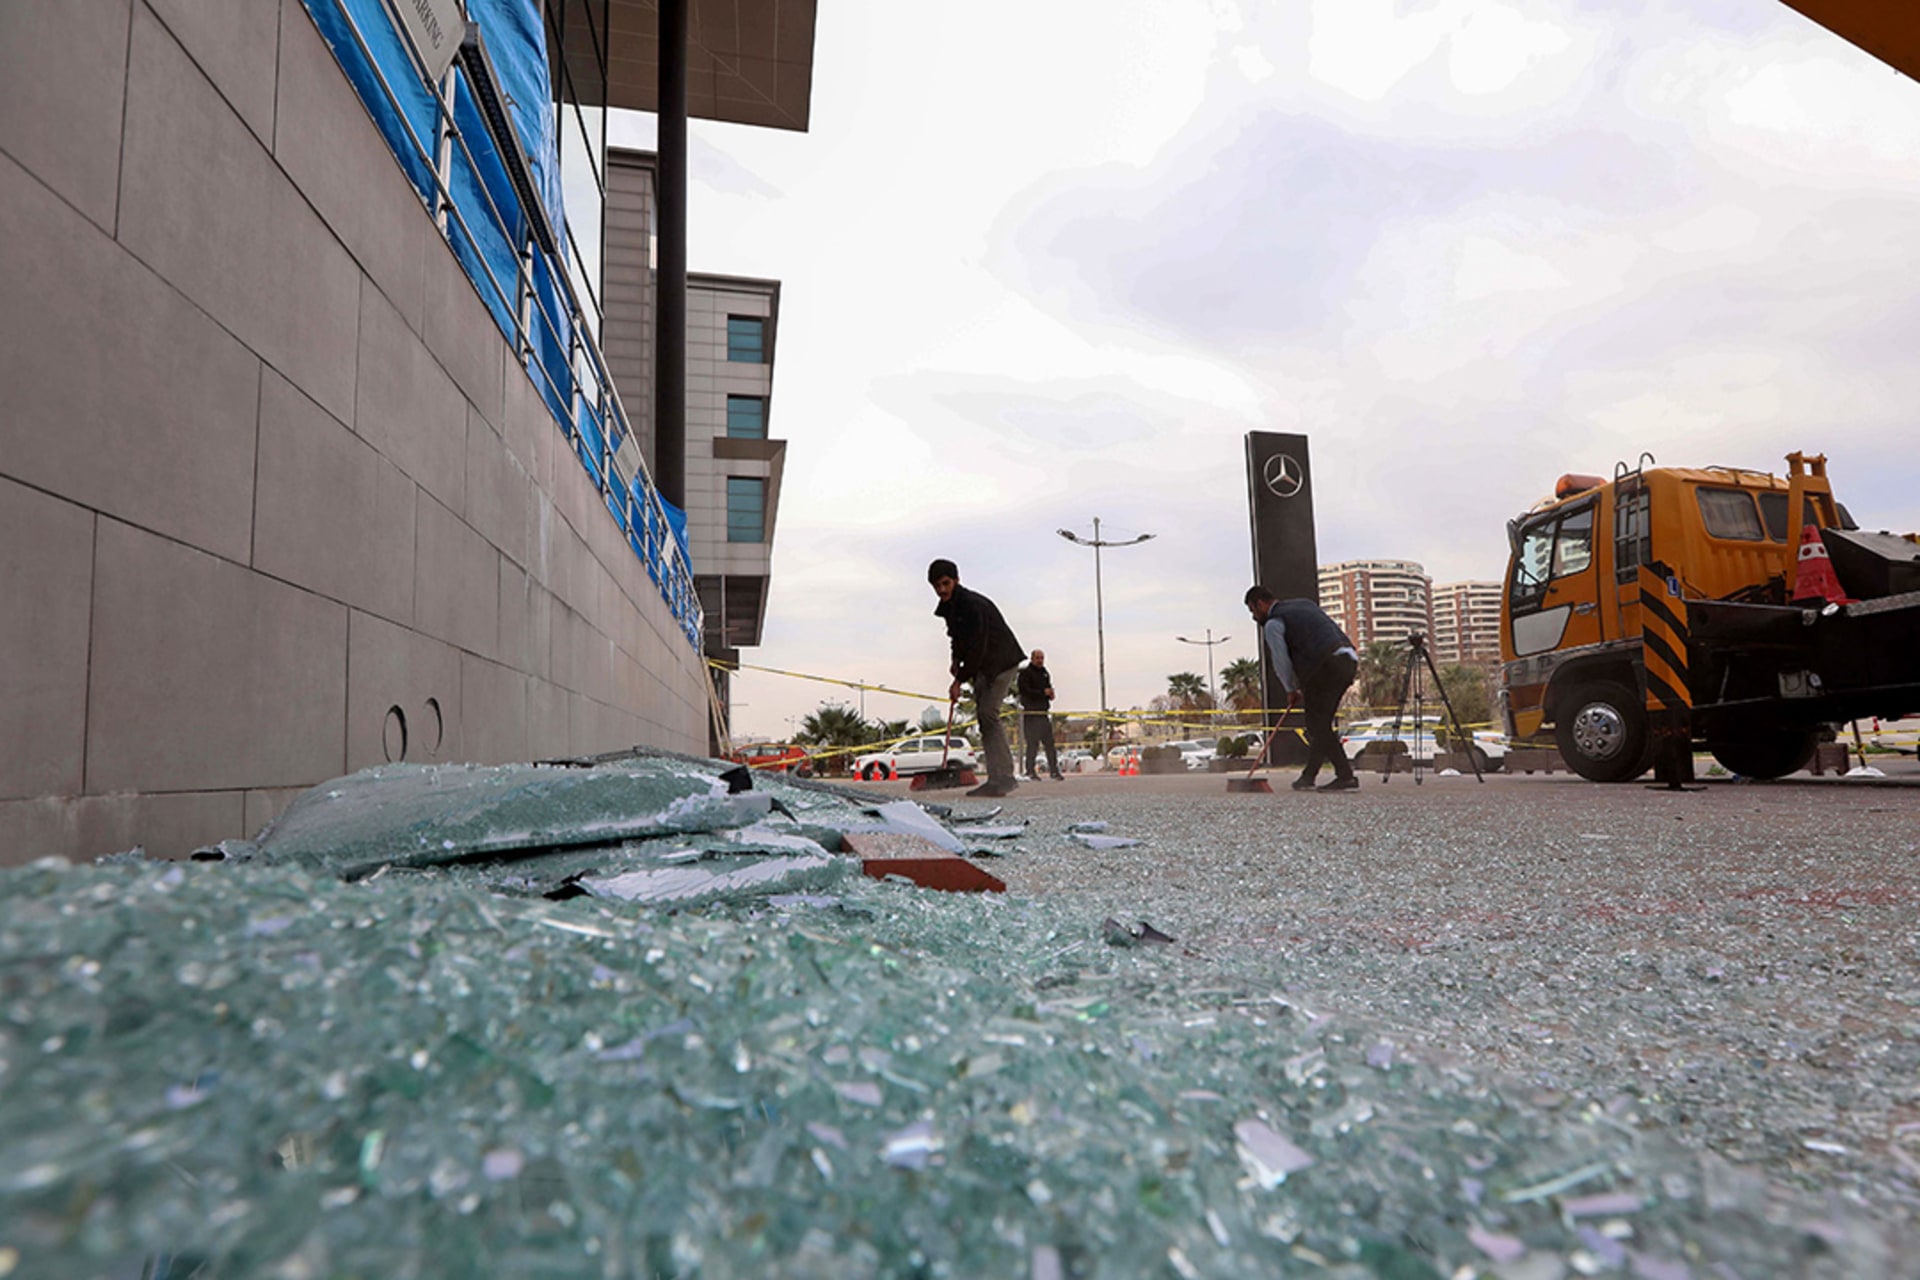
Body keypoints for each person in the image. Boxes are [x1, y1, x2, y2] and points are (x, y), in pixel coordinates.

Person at [1244, 586, 1360, 791]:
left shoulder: (1274, 623)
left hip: (1326, 665)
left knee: (1317, 725)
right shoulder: (1304, 603)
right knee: (1321, 723)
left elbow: (1281, 660)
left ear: (1260, 604)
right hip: (1348, 660)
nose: (1254, 617)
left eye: (1253, 610)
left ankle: (1345, 776)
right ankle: (1308, 776)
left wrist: (1290, 689)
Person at [930, 559, 1026, 796]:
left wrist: (958, 680)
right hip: (984, 665)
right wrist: (954, 661)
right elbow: (957, 638)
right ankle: (996, 779)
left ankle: (1004, 778)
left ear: (956, 580)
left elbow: (977, 646)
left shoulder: (972, 605)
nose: (942, 590)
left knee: (988, 714)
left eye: (945, 583)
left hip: (1001, 662)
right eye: (936, 585)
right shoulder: (949, 607)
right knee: (985, 719)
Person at [1016, 649, 1064, 781]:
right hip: (1031, 714)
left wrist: (1050, 694)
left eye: (1042, 658)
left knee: (1050, 744)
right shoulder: (1025, 673)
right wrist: (1042, 692)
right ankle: (1030, 771)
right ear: (1032, 658)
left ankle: (1054, 771)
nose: (1040, 660)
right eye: (1038, 658)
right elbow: (1025, 691)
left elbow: (1047, 690)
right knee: (1032, 745)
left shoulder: (1044, 673)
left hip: (1043, 714)